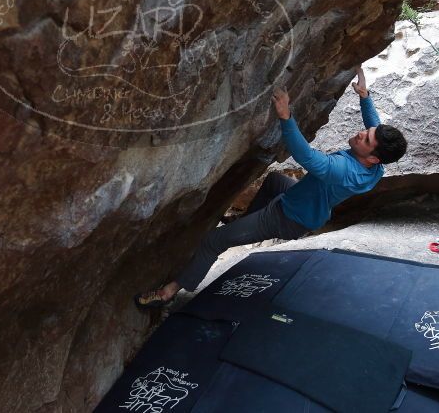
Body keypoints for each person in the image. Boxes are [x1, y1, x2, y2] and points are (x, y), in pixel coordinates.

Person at [135, 66, 408, 308]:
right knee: (275, 181)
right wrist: (364, 96)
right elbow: (375, 126)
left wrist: (286, 117)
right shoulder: (376, 163)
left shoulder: (344, 172)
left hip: (288, 216)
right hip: (306, 204)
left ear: (371, 157)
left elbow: (306, 156)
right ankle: (244, 226)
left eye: (366, 139)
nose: (362, 133)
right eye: (367, 132)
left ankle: (169, 292)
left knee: (213, 241)